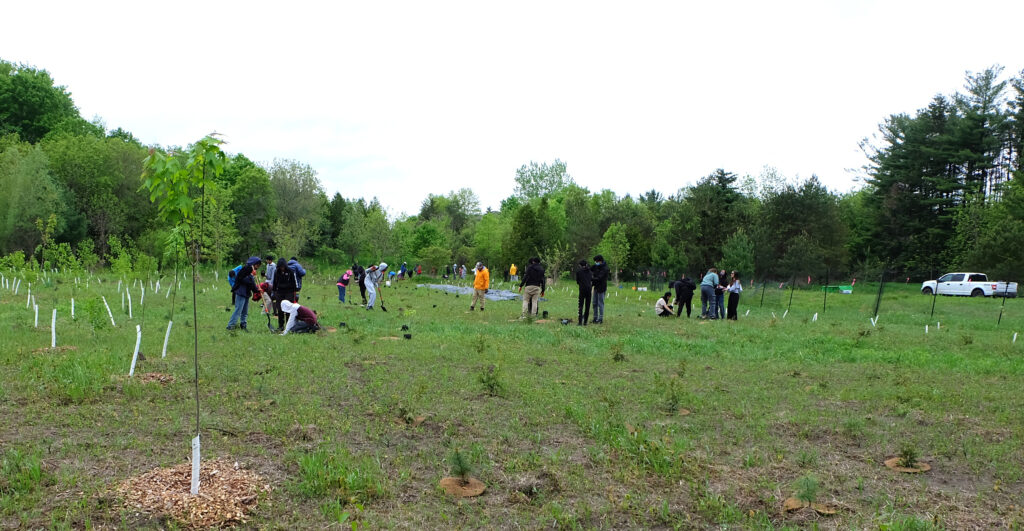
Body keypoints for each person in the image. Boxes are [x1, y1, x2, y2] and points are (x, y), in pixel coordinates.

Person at [227, 256, 261, 331]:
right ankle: (230, 326)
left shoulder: (251, 271)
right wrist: (254, 286)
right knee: (238, 310)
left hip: (246, 293)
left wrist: (257, 290)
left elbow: (251, 283)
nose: (257, 267)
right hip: (241, 292)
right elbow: (241, 279)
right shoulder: (246, 269)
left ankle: (243, 325)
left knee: (245, 311)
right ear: (254, 263)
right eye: (257, 265)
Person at [273, 258, 299, 331]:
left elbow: (294, 282)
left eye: (283, 267)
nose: (282, 268)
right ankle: (281, 326)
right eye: (280, 267)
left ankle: (289, 325)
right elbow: (275, 282)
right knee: (280, 309)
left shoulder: (290, 271)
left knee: (288, 309)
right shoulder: (276, 272)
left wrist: (295, 291)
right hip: (279, 292)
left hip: (289, 292)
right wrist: (274, 292)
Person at [590, 255, 609, 324]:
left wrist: (591, 278)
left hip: (602, 287)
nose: (595, 263)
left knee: (600, 303)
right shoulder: (596, 266)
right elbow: (590, 269)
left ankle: (600, 319)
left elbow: (600, 278)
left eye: (596, 261)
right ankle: (595, 318)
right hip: (596, 287)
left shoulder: (605, 269)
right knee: (594, 303)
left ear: (600, 261)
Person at [575, 260, 592, 326]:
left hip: (582, 289)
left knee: (580, 305)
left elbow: (577, 281)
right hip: (589, 289)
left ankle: (580, 322)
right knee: (587, 306)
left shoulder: (579, 272)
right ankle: (585, 322)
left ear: (580, 265)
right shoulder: (590, 272)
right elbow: (591, 279)